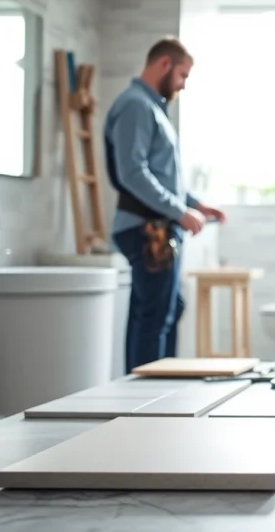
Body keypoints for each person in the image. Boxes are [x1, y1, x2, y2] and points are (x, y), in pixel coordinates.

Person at [104, 36, 226, 373]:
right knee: (156, 315)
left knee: (162, 309)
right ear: (164, 65)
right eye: (182, 75)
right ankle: (148, 400)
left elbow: (162, 177)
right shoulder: (135, 105)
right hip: (146, 228)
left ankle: (146, 391)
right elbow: (132, 173)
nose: (183, 84)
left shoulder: (151, 108)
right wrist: (179, 212)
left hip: (154, 226)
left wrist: (197, 206)